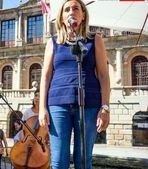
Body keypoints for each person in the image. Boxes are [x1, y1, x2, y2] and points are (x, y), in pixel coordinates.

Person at [38, 0, 111, 169]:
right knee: (58, 162)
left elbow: (103, 75)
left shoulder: (95, 40)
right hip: (57, 104)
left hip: (89, 104)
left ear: (83, 15)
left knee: (83, 160)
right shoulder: (53, 42)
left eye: (76, 8)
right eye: (67, 10)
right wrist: (42, 108)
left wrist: (105, 107)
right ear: (62, 18)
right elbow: (46, 76)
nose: (71, 12)